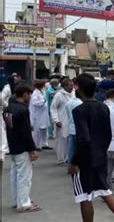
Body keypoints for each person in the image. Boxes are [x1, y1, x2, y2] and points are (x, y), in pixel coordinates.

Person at [68, 74, 114, 222]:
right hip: (100, 155)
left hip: (85, 159)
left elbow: (83, 139)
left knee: (84, 196)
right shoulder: (104, 108)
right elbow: (108, 135)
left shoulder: (79, 110)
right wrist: (101, 151)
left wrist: (74, 162)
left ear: (80, 89)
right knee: (105, 191)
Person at [3, 83, 41, 212]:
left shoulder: (7, 109)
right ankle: (24, 203)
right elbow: (25, 132)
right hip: (23, 146)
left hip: (13, 144)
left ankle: (17, 200)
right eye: (29, 94)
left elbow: (11, 127)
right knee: (24, 176)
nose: (30, 97)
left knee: (15, 175)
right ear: (25, 95)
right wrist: (32, 149)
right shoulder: (23, 110)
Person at [50, 78, 74, 165]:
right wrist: (56, 120)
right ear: (65, 86)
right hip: (62, 120)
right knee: (61, 141)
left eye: (72, 85)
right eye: (70, 85)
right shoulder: (59, 95)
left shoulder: (73, 94)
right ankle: (60, 159)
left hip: (71, 120)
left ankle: (68, 158)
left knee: (69, 141)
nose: (72, 87)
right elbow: (53, 108)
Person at [29, 80, 50, 150]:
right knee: (37, 131)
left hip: (43, 114)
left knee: (44, 129)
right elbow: (35, 103)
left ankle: (44, 144)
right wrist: (43, 101)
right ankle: (36, 145)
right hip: (37, 115)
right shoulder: (35, 93)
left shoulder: (41, 92)